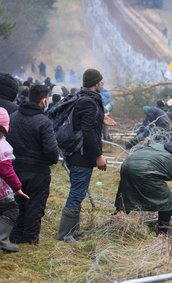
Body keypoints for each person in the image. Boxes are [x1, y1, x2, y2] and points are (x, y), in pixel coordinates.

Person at [56, 68, 107, 243]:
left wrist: (101, 118)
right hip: (81, 155)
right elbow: (88, 131)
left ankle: (73, 230)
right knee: (77, 192)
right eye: (101, 81)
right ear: (96, 83)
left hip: (78, 153)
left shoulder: (84, 98)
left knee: (79, 191)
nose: (102, 84)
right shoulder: (88, 102)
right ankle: (64, 234)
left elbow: (87, 125)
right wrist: (98, 155)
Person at [7, 85, 59, 244]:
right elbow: (51, 150)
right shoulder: (44, 122)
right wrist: (52, 160)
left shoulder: (13, 117)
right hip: (38, 172)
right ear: (44, 100)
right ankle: (29, 239)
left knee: (17, 204)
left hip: (15, 169)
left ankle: (14, 236)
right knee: (35, 206)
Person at [0, 107, 29, 252]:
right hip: (1, 191)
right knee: (11, 209)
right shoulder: (2, 147)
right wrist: (17, 187)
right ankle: (2, 239)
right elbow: (7, 171)